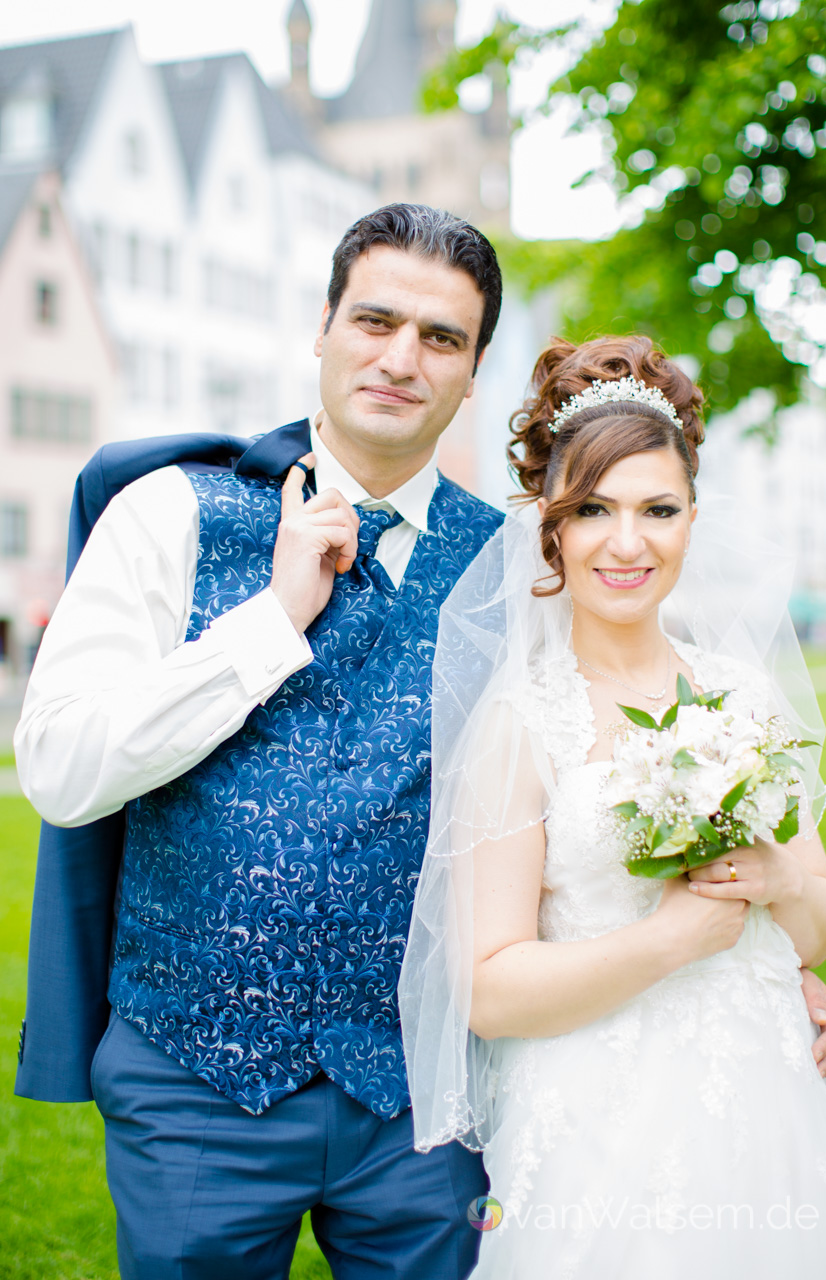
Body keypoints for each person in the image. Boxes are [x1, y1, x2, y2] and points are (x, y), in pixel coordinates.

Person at [15, 203, 505, 1279]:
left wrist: (757, 964)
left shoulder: (510, 567)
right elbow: (58, 767)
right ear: (322, 328)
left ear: (473, 374)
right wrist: (272, 620)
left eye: (441, 338)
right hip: (194, 1083)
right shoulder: (170, 514)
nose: (400, 359)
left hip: (427, 1093)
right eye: (374, 320)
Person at [400, 335, 826, 1276]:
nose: (626, 543)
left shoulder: (739, 693)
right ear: (552, 527)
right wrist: (670, 939)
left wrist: (776, 875)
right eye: (593, 510)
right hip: (600, 1124)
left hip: (770, 1095)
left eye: (657, 510)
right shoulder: (522, 723)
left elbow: (816, 927)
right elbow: (488, 992)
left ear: (692, 519)